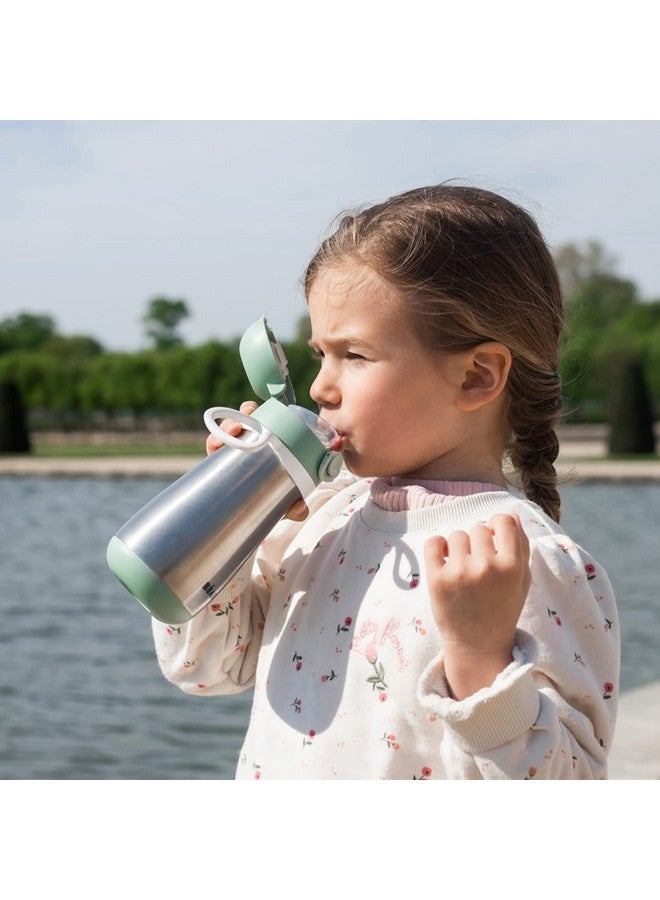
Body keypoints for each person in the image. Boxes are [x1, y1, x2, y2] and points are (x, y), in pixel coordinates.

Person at [152, 184, 620, 779]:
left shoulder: (526, 562)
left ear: (476, 377)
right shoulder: (324, 518)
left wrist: (480, 667)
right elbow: (206, 668)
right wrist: (225, 525)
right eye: (320, 354)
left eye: (354, 354)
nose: (321, 387)